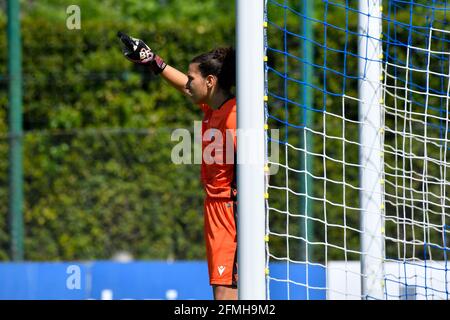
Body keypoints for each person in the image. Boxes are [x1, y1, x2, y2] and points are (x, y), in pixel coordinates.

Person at [117, 32, 238, 300]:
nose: (187, 83)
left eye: (192, 77)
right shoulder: (214, 108)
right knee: (223, 285)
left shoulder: (232, 116)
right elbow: (183, 84)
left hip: (229, 211)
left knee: (225, 288)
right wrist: (152, 61)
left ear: (210, 81)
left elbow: (258, 165)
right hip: (217, 208)